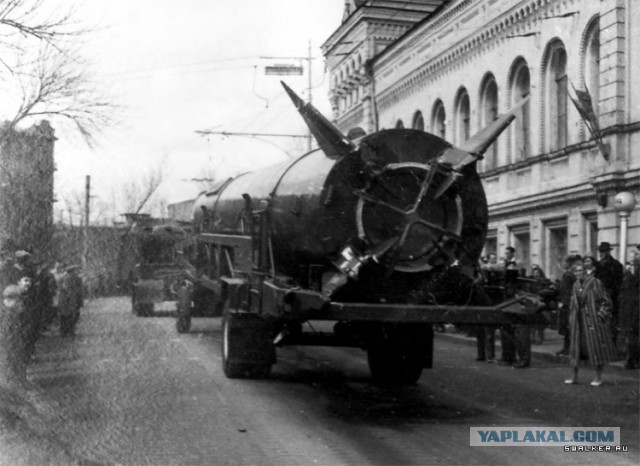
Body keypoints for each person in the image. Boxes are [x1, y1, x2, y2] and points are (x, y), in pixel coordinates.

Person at [564, 262, 617, 387]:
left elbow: (606, 301)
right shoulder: (575, 284)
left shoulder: (595, 282)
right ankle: (574, 376)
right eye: (575, 271)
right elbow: (573, 303)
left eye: (580, 270)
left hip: (593, 320)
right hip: (578, 321)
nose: (578, 273)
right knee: (576, 349)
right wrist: (571, 319)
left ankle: (598, 377)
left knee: (595, 347)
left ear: (585, 271)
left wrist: (600, 316)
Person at [594, 242, 624, 345]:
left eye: (603, 251)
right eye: (600, 251)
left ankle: (612, 346)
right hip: (599, 297)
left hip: (612, 298)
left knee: (612, 323)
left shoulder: (616, 265)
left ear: (608, 252)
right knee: (600, 321)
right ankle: (602, 346)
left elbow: (618, 284)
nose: (601, 253)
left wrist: (610, 294)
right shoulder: (597, 265)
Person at [556, 255, 581, 356]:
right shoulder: (568, 274)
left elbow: (568, 290)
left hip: (568, 304)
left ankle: (569, 349)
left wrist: (563, 301)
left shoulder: (569, 275)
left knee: (568, 327)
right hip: (566, 302)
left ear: (568, 263)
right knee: (567, 327)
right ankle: (566, 348)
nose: (562, 264)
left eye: (564, 262)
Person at [618, 256, 639, 369]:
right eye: (630, 263)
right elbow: (623, 290)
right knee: (630, 335)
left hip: (635, 308)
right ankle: (631, 359)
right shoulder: (627, 274)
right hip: (628, 308)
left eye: (633, 264)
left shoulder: (633, 275)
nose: (631, 266)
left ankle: (633, 359)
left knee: (634, 335)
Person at [58, 265, 84, 336]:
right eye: (76, 270)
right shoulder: (76, 278)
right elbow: (79, 290)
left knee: (64, 316)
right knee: (73, 315)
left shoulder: (61, 278)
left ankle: (63, 331)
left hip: (63, 299)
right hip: (72, 299)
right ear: (73, 271)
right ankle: (70, 330)